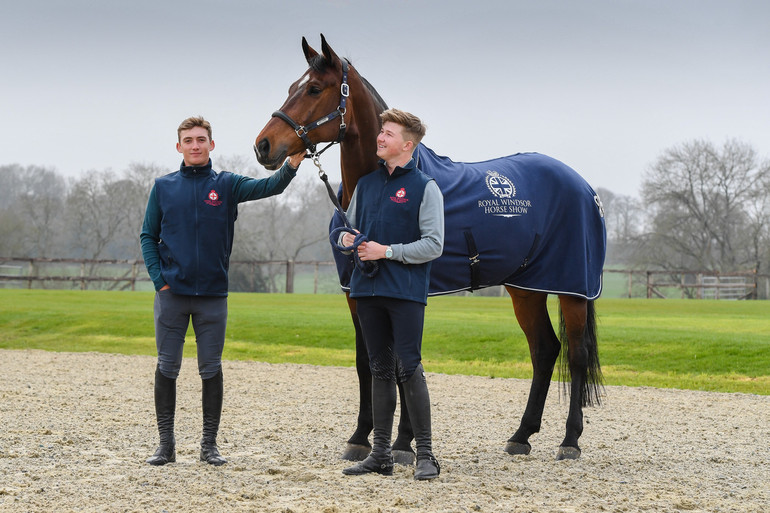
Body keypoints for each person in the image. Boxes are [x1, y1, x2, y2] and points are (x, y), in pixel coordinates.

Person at [140, 116, 303, 466]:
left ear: (211, 145)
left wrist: (292, 164)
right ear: (179, 146)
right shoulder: (163, 187)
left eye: (201, 139)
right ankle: (165, 445)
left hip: (213, 296)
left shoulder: (227, 184)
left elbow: (270, 187)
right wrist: (160, 281)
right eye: (188, 140)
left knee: (210, 368)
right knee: (167, 367)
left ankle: (208, 445)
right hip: (172, 295)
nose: (195, 145)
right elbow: (147, 237)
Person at [339, 109, 444, 480]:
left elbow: (433, 244)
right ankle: (380, 454)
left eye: (387, 133)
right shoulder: (366, 185)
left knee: (409, 368)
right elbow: (346, 229)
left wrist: (387, 251)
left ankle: (426, 455)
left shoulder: (425, 188)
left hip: (405, 293)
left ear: (407, 144)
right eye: (380, 132)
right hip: (367, 290)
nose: (379, 138)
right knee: (379, 369)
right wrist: (347, 240)